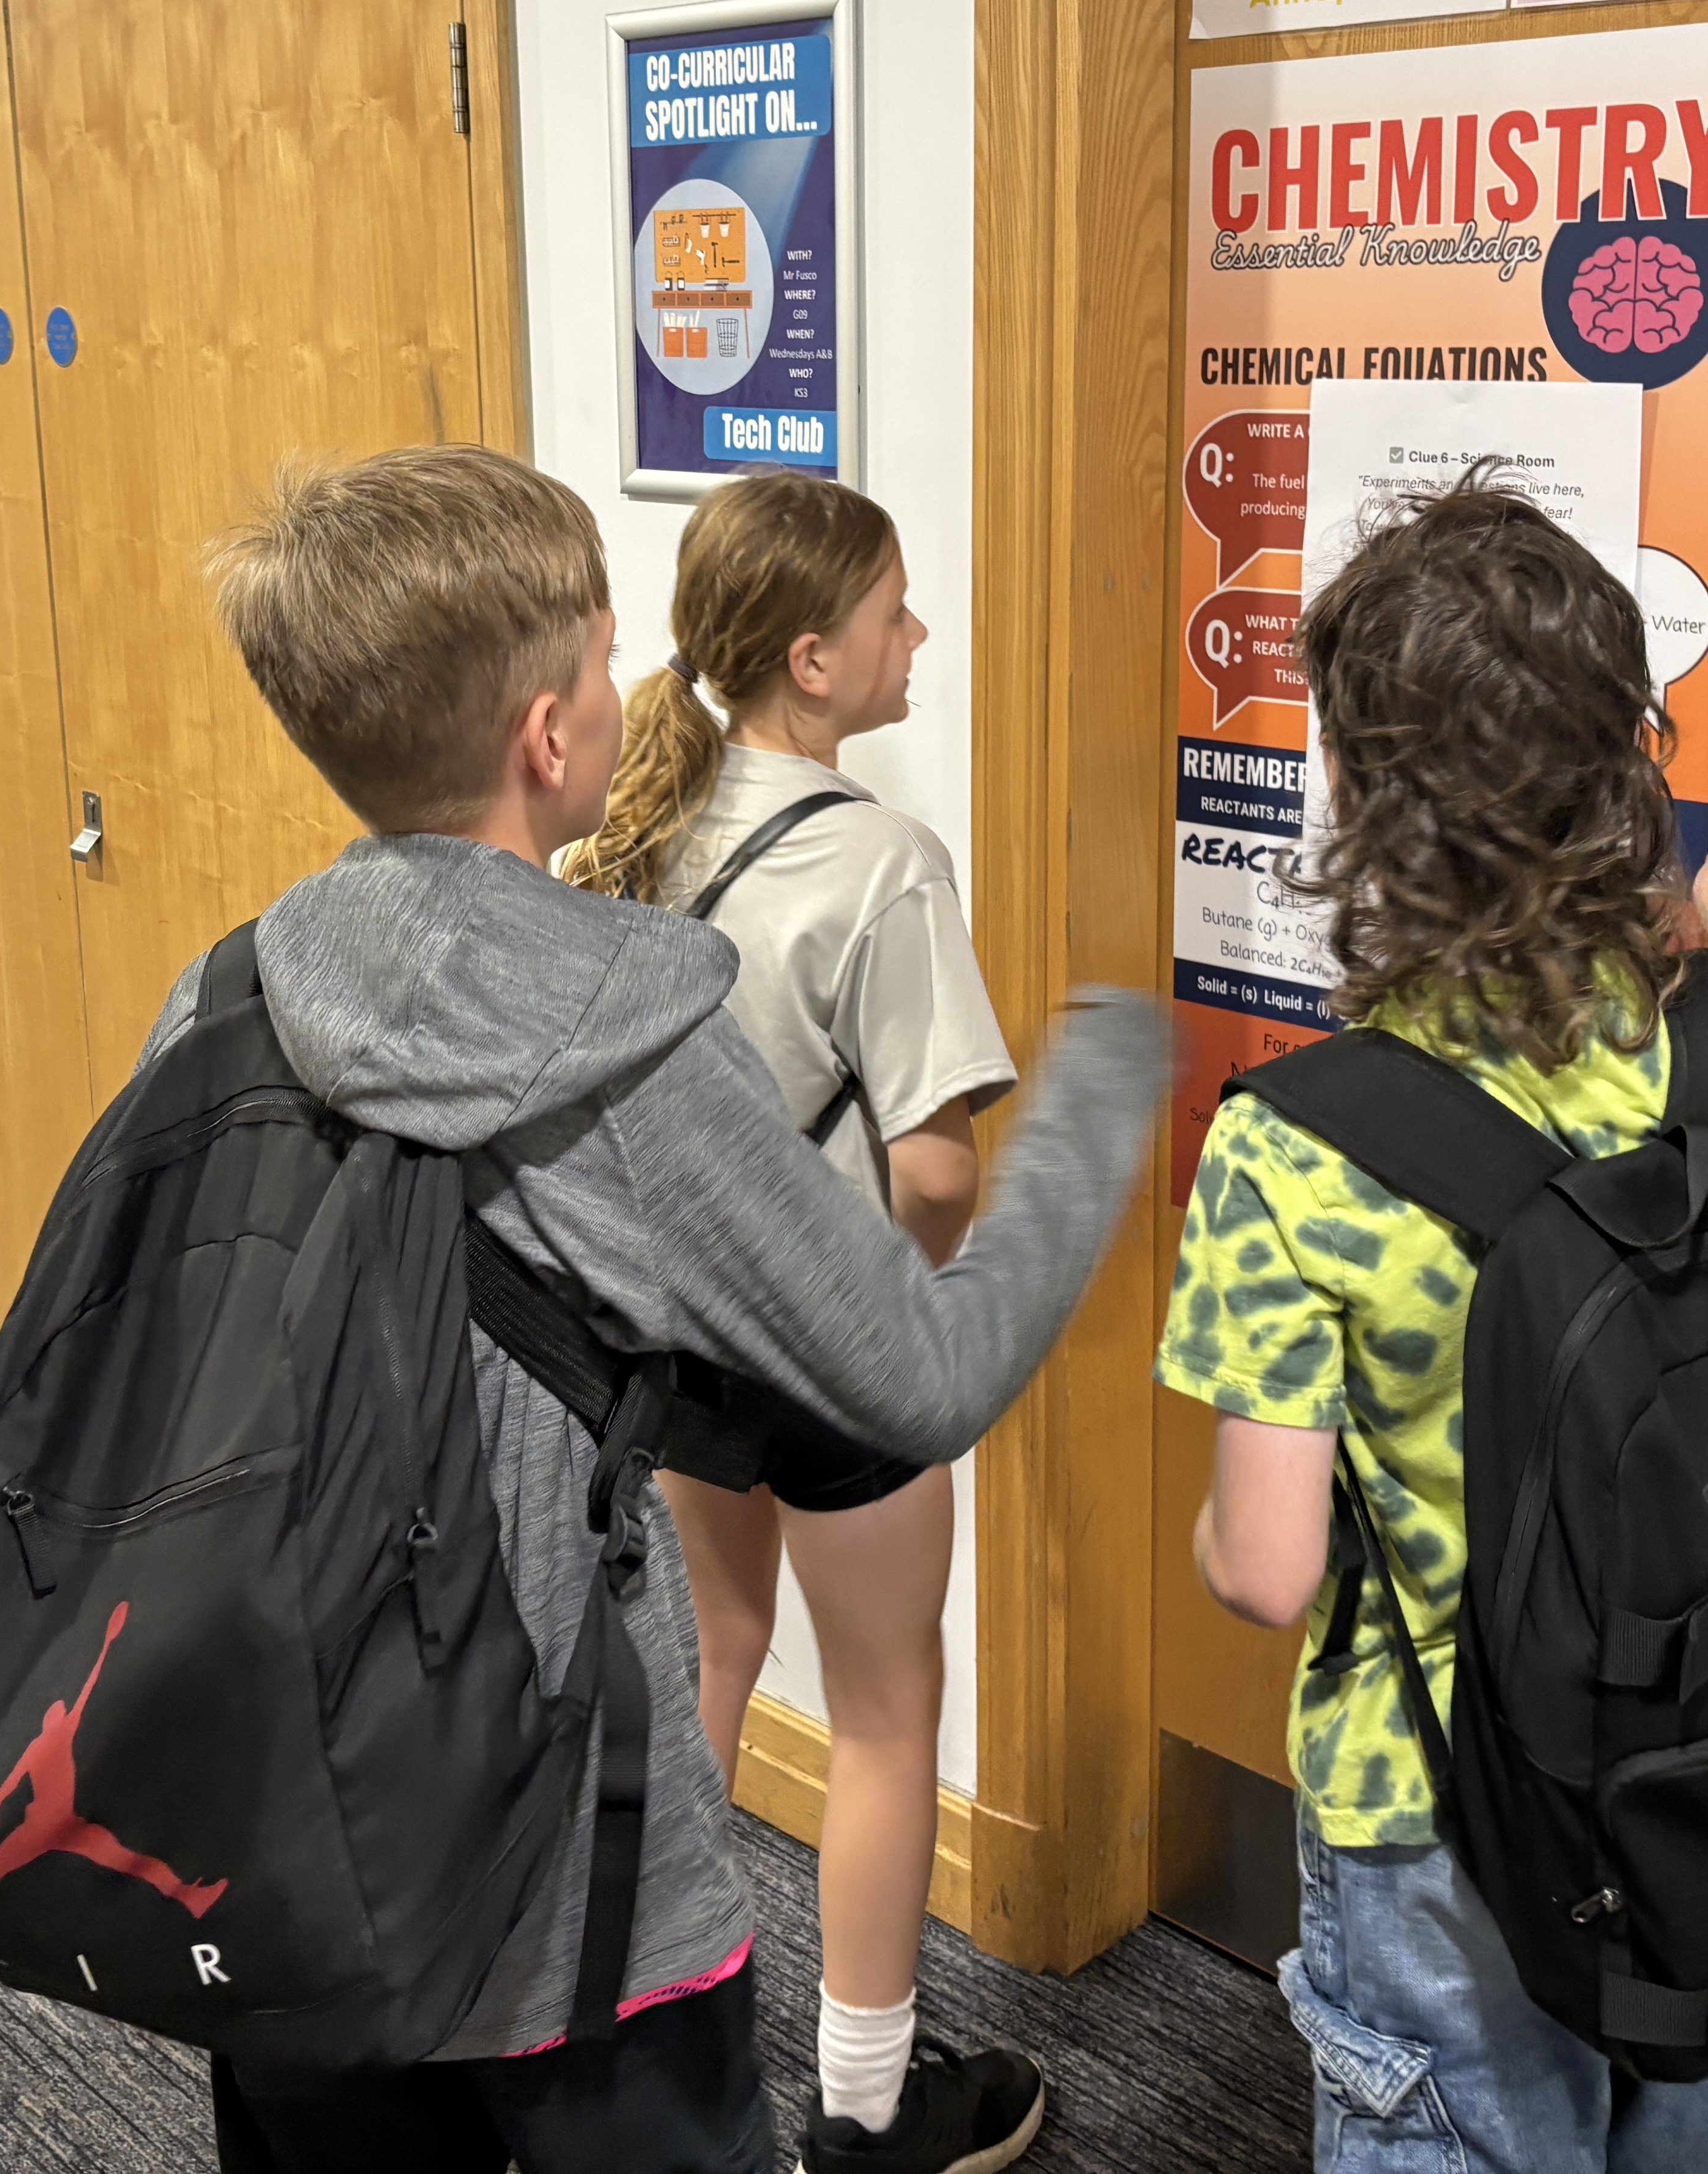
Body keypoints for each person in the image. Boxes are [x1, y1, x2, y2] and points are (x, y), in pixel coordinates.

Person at [167, 447, 1163, 2174]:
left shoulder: (231, 986)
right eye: (603, 649)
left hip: (304, 1792)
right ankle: (870, 2111)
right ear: (545, 734)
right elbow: (925, 1357)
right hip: (551, 1842)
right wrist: (1108, 1085)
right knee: (853, 1724)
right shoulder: (622, 1032)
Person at [1161, 480, 1708, 2174]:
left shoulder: (1293, 1149)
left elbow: (1266, 1569)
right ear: (1626, 762)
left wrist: (1209, 1531)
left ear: (1355, 791)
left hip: (1440, 1802)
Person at [560, 474, 1028, 2174]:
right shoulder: (884, 862)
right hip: (836, 1354)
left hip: (684, 1344)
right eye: (898, 613)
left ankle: (633, 2029)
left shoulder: (637, 826)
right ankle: (871, 2111)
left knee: (718, 1648)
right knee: (888, 1715)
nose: (923, 635)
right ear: (814, 660)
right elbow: (937, 1170)